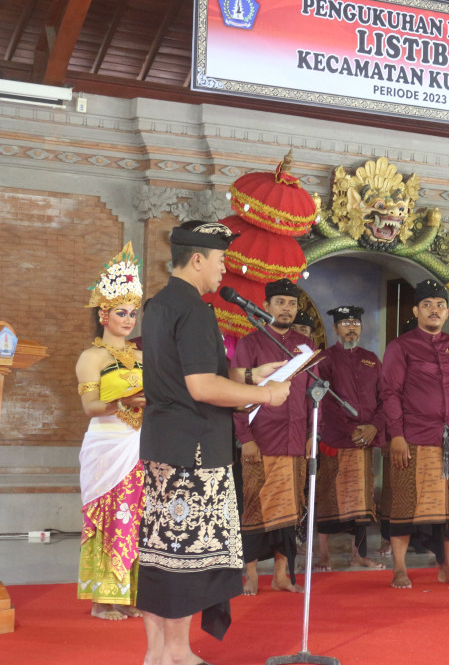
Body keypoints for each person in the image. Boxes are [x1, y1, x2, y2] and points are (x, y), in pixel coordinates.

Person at [137, 220, 290, 665]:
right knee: (186, 554)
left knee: (161, 552)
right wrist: (266, 395)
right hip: (196, 452)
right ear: (198, 259)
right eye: (221, 260)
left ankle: (157, 652)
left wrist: (249, 376)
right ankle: (177, 653)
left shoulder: (160, 305)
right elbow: (202, 387)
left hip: (166, 445)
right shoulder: (195, 310)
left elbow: (184, 376)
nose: (225, 269)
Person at [381, 279, 449, 589]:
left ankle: (447, 568)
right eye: (428, 305)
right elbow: (390, 393)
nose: (435, 310)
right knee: (406, 504)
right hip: (413, 439)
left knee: (447, 508)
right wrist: (396, 435)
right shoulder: (401, 346)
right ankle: (399, 568)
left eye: (440, 305)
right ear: (416, 311)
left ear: (447, 312)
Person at [75, 242, 147, 621]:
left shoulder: (142, 357)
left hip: (139, 444)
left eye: (133, 313)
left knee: (134, 517)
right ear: (104, 314)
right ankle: (102, 599)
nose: (129, 319)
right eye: (121, 312)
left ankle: (128, 595)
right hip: (107, 444)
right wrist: (125, 400)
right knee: (109, 516)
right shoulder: (92, 357)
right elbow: (90, 407)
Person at [231, 278, 313, 595]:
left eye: (292, 304)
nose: (286, 308)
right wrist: (245, 438)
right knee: (254, 507)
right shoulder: (250, 343)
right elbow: (238, 394)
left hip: (296, 441)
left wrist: (312, 435)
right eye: (280, 302)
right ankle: (251, 574)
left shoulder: (305, 348)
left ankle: (281, 575)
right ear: (266, 306)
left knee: (290, 510)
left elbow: (312, 396)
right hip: (261, 440)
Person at [314, 304, 385, 571]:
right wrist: (350, 429)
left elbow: (385, 397)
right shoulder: (325, 359)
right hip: (336, 440)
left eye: (355, 323)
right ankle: (323, 554)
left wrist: (375, 426)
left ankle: (359, 554)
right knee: (328, 497)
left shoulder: (371, 359)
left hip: (365, 442)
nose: (351, 328)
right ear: (335, 328)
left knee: (362, 500)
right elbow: (324, 400)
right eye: (345, 323)